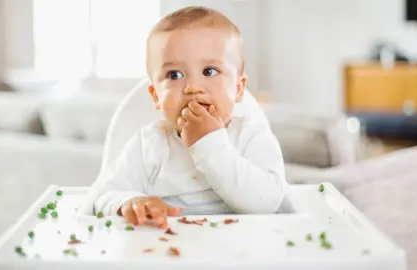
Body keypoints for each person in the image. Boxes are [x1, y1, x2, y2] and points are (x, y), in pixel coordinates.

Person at [92, 6, 289, 229]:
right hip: (164, 252)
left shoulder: (250, 135)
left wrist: (209, 144)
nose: (193, 88)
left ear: (239, 88)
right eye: (174, 75)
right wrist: (130, 202)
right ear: (156, 95)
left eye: (210, 71)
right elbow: (102, 196)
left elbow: (269, 202)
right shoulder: (149, 145)